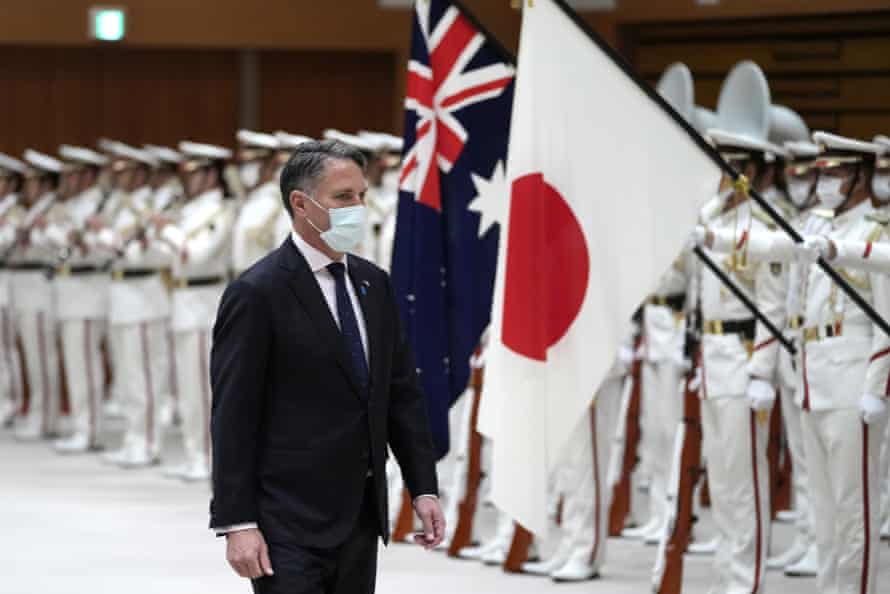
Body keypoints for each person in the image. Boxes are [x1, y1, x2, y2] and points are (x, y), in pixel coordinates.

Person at [210, 139, 444, 594]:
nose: (358, 207)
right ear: (301, 203)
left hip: (359, 516)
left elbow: (399, 393)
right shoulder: (258, 293)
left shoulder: (373, 284)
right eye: (343, 197)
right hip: (287, 520)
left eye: (360, 195)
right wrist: (237, 521)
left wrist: (424, 487)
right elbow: (233, 415)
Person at [152, 141, 235, 481]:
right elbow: (166, 255)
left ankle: (210, 457)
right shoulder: (187, 209)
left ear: (211, 174)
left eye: (195, 173)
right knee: (189, 387)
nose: (188, 181)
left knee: (204, 388)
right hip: (182, 301)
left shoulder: (221, 210)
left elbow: (197, 253)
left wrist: (165, 230)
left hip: (205, 301)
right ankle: (194, 452)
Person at [40, 145, 110, 453]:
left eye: (74, 174)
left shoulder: (98, 203)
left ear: (88, 175)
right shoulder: (71, 204)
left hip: (87, 289)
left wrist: (76, 237)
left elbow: (101, 244)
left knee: (85, 362)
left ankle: (90, 429)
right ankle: (83, 425)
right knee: (75, 362)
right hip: (68, 290)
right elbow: (50, 237)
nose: (68, 181)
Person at [9, 150, 63, 440]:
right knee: (31, 354)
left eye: (32, 183)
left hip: (39, 285)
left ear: (44, 184)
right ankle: (39, 413)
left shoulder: (53, 208)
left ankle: (46, 417)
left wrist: (38, 233)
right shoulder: (31, 209)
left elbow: (58, 242)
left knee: (42, 356)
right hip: (22, 285)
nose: (26, 189)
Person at [0, 153, 27, 426]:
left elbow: (6, 243)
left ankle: (10, 401)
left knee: (6, 348)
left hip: (5, 283)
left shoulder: (15, 210)